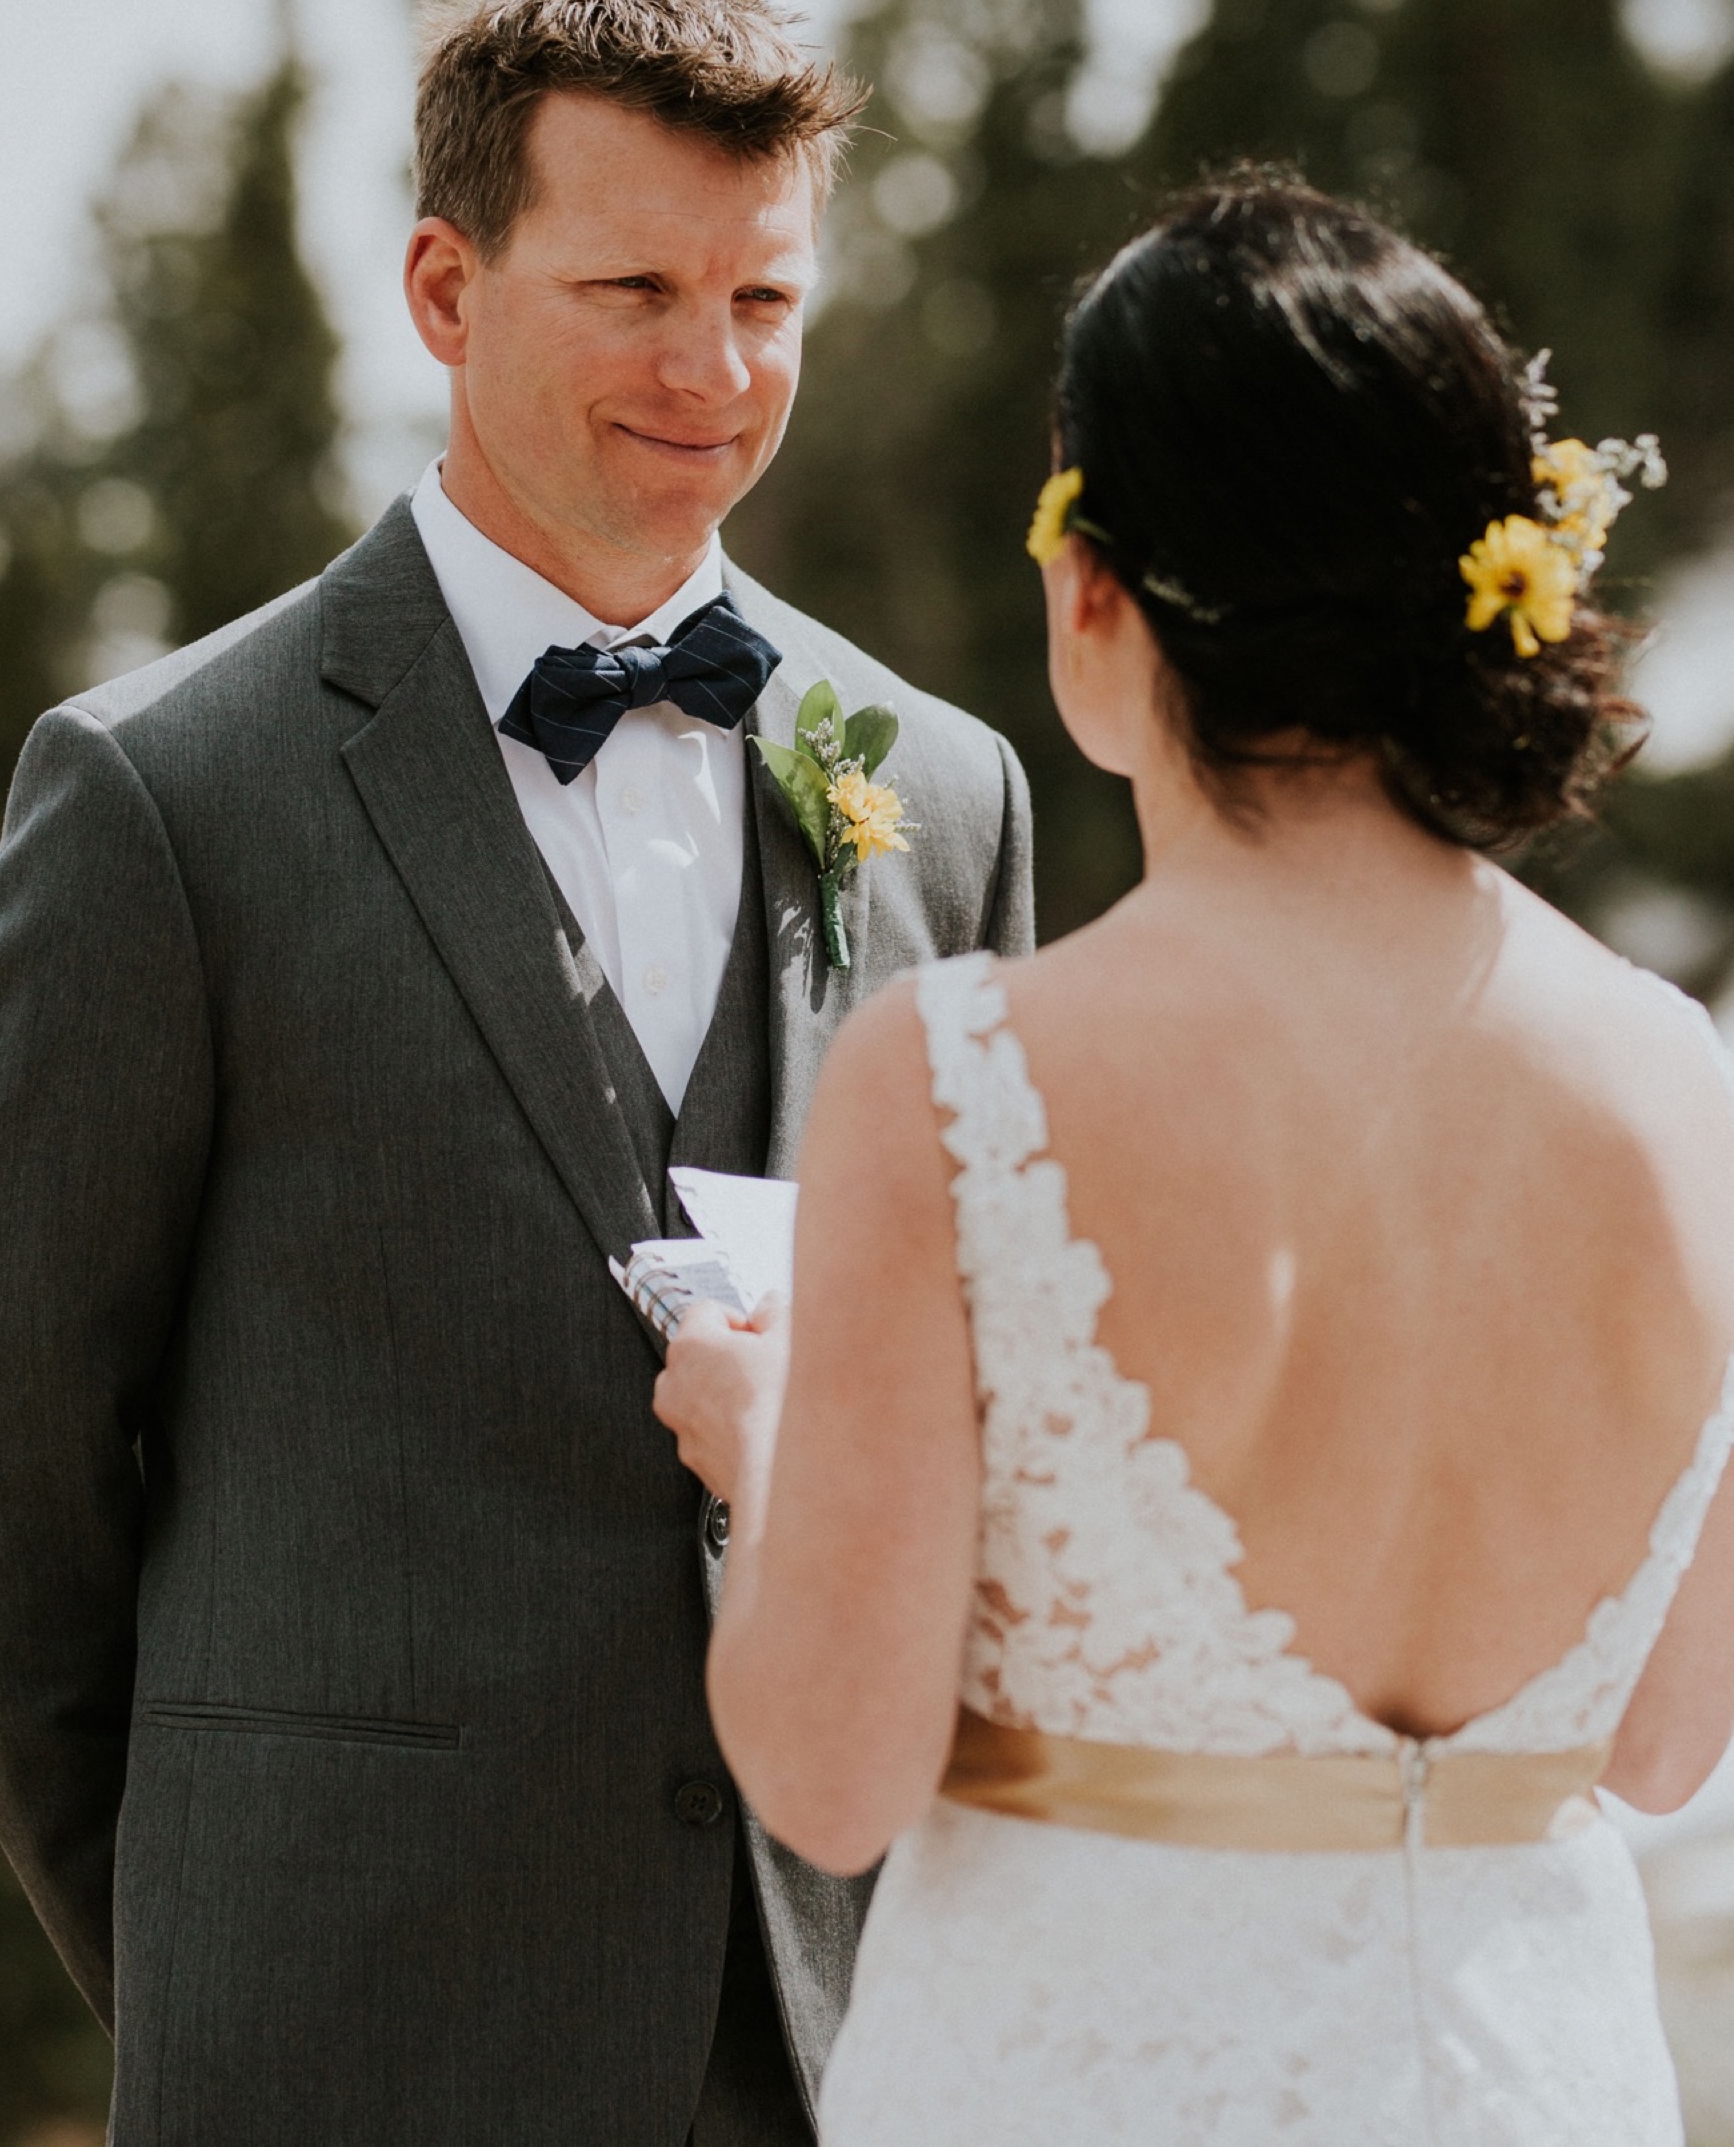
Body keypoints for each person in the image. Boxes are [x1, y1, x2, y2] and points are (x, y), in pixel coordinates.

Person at [0, 0, 1033, 2147]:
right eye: (631, 291)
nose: (713, 369)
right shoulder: (160, 799)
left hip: (839, 2046)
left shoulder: (943, 791)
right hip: (335, 2034)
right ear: (442, 286)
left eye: (764, 301)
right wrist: (205, 1946)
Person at [660, 174, 1734, 2145]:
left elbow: (829, 1775)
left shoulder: (968, 1076)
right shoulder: (1690, 1088)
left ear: (1095, 596)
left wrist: (781, 1434)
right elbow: (1662, 1742)